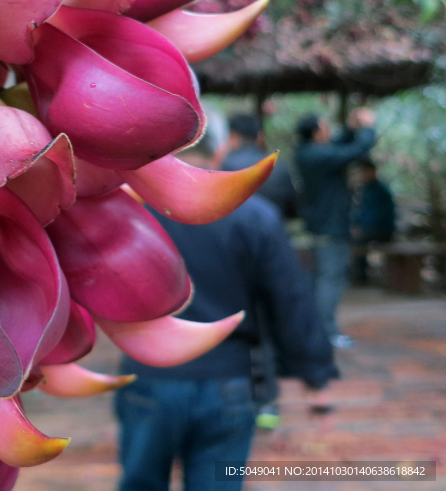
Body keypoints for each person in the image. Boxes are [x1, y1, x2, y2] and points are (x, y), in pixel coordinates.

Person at [115, 150, 337, 491]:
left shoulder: (127, 211)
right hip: (228, 381)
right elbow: (290, 298)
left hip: (149, 377)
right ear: (217, 155)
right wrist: (314, 374)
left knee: (141, 484)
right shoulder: (255, 215)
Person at [294, 108, 377, 349]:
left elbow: (340, 145)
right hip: (330, 229)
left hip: (325, 227)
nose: (329, 130)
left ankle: (319, 329)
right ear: (317, 133)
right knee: (330, 280)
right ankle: (326, 332)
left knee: (325, 279)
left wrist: (352, 128)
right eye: (325, 126)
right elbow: (354, 151)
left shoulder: (309, 153)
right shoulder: (316, 156)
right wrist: (368, 127)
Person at [219, 113, 298, 219]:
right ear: (260, 136)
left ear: (231, 136)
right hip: (273, 228)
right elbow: (292, 207)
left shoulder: (224, 166)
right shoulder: (278, 165)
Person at [350, 159, 395, 283]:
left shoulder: (380, 190)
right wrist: (355, 225)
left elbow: (378, 216)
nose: (362, 175)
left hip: (382, 230)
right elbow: (361, 213)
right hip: (368, 228)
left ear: (372, 172)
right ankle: (355, 273)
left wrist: (361, 228)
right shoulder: (366, 189)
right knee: (349, 238)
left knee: (358, 240)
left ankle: (360, 277)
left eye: (364, 172)